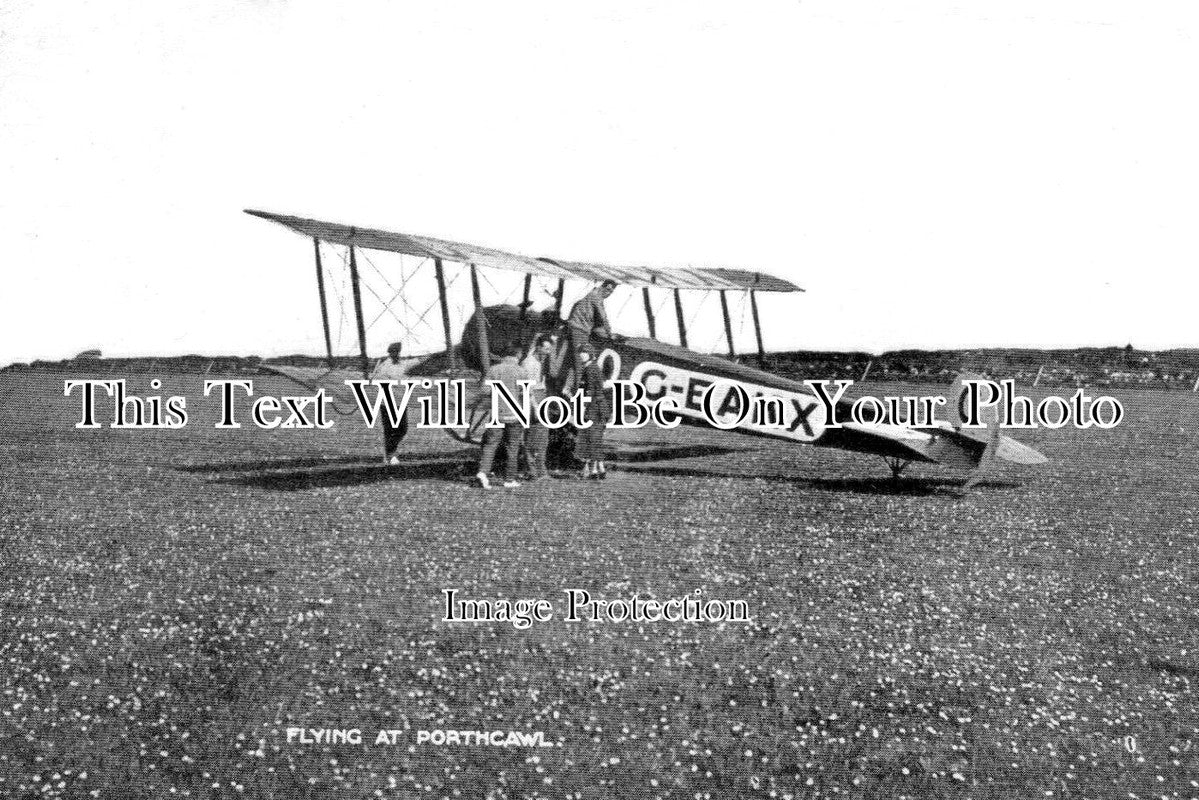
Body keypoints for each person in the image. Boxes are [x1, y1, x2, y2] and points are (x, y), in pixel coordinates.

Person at [475, 340, 530, 489]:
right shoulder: (522, 371)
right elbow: (526, 395)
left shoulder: (494, 370)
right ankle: (509, 479)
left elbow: (484, 391)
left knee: (490, 445)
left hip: (496, 413)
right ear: (518, 354)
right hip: (515, 415)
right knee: (512, 447)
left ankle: (483, 472)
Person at [565, 280, 617, 390]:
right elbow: (603, 317)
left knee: (577, 359)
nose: (608, 293)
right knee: (581, 360)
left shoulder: (594, 295)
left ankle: (570, 387)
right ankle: (575, 390)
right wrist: (609, 333)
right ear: (602, 287)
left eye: (611, 292)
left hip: (580, 329)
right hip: (579, 329)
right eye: (607, 290)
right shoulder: (596, 296)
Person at [520, 333, 558, 480]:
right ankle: (533, 471)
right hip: (534, 399)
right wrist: (536, 407)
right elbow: (527, 388)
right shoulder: (529, 363)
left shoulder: (538, 360)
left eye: (550, 349)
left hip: (540, 396)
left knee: (541, 437)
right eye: (546, 349)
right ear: (538, 347)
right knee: (534, 437)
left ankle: (538, 470)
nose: (548, 352)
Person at [573, 346, 611, 479]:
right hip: (600, 406)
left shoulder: (589, 369)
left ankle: (594, 470)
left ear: (590, 354)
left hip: (594, 407)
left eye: (584, 353)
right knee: (596, 438)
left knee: (592, 437)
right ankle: (600, 468)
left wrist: (583, 408)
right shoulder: (594, 367)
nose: (582, 355)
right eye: (580, 353)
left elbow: (589, 391)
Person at [371, 342, 410, 465]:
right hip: (387, 402)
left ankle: (390, 453)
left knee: (403, 429)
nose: (396, 354)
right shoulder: (384, 366)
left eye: (397, 352)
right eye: (393, 352)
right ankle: (390, 455)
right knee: (390, 430)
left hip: (400, 402)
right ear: (390, 353)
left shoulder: (402, 365)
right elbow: (376, 381)